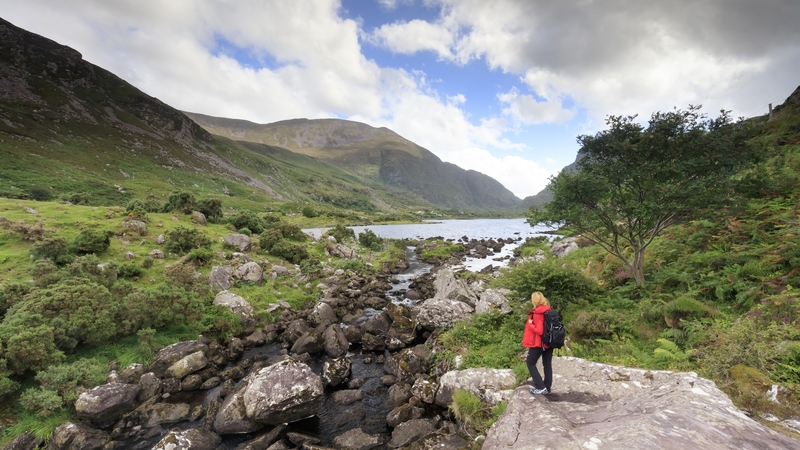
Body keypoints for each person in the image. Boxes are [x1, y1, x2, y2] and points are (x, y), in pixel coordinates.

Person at [522, 291, 553, 395]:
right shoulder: (548, 311)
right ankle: (547, 388)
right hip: (548, 342)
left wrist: (530, 324)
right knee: (547, 365)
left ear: (534, 300)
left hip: (538, 343)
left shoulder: (537, 313)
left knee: (530, 363)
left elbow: (539, 331)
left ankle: (540, 386)